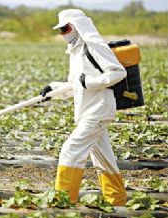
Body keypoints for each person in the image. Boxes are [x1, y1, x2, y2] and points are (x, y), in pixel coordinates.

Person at [40, 9, 127, 205]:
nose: (63, 33)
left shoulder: (94, 46)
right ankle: (117, 200)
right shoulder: (76, 51)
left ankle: (63, 201)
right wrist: (53, 89)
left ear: (77, 26)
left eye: (66, 28)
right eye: (61, 30)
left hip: (99, 109)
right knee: (103, 157)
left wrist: (92, 82)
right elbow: (75, 85)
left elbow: (118, 72)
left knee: (71, 150)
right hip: (88, 110)